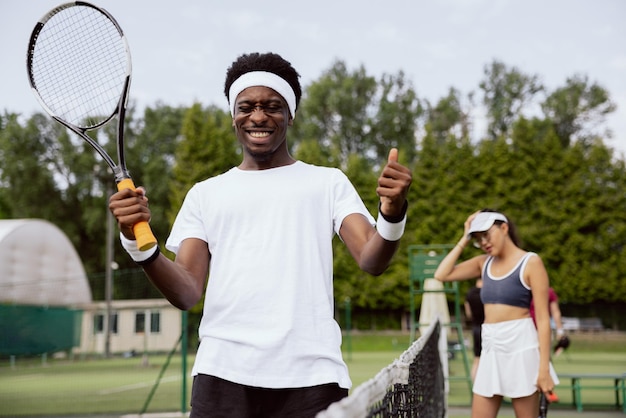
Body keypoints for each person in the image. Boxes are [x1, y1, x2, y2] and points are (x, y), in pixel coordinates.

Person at [108, 52, 412, 418]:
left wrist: (392, 214)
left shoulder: (327, 182)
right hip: (222, 375)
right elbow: (187, 291)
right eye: (246, 106)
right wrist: (138, 245)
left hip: (313, 377)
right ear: (233, 116)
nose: (258, 116)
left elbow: (371, 259)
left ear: (291, 115)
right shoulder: (205, 194)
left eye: (272, 106)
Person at [434, 209, 559, 418]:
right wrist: (464, 238)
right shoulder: (483, 263)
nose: (483, 242)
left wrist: (543, 369)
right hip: (490, 348)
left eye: (487, 235)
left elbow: (544, 321)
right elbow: (442, 274)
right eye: (478, 238)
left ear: (504, 228)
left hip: (522, 348)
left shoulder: (531, 262)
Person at [530, 287, 569, 357]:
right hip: (527, 329)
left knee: (544, 357)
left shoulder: (548, 292)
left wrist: (560, 331)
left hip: (543, 329)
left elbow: (555, 312)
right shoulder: (524, 290)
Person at [464, 278, 484, 382]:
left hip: (476, 328)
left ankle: (475, 387)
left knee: (477, 359)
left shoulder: (470, 293)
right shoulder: (487, 292)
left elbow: (468, 313)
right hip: (486, 328)